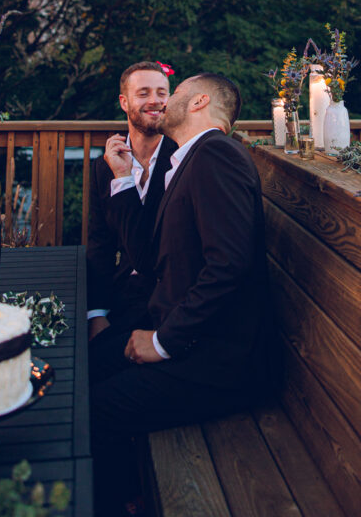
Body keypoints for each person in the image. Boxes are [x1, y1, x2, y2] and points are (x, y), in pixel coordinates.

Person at [89, 73, 275, 517]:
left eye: (174, 92)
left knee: (97, 411)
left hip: (221, 360)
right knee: (89, 362)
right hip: (176, 325)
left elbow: (228, 267)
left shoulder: (216, 156)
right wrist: (120, 179)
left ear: (199, 102)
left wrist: (161, 342)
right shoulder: (191, 161)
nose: (164, 101)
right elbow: (151, 259)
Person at [86, 61, 177, 347]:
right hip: (123, 294)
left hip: (169, 300)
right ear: (124, 102)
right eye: (144, 93)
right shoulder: (104, 167)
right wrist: (96, 314)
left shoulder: (182, 159)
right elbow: (99, 244)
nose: (155, 101)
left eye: (162, 93)